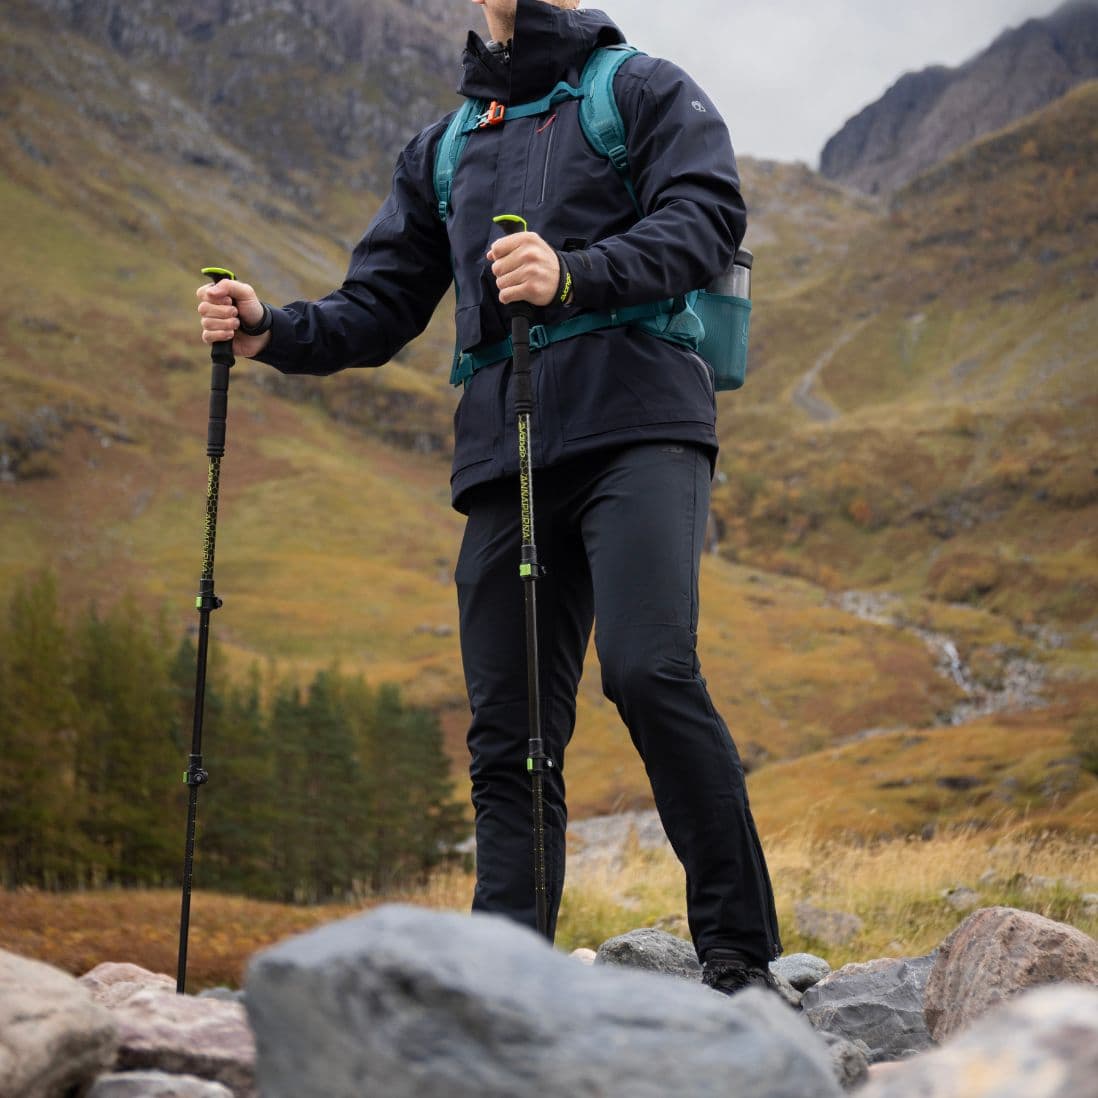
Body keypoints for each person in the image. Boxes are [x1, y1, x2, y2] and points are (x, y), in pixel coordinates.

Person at [196, 0, 782, 994]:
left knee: (648, 670)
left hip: (640, 424)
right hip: (504, 455)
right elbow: (379, 305)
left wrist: (575, 274)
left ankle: (739, 951)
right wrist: (271, 329)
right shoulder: (448, 144)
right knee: (509, 735)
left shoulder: (640, 89)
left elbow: (706, 216)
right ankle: (504, 980)